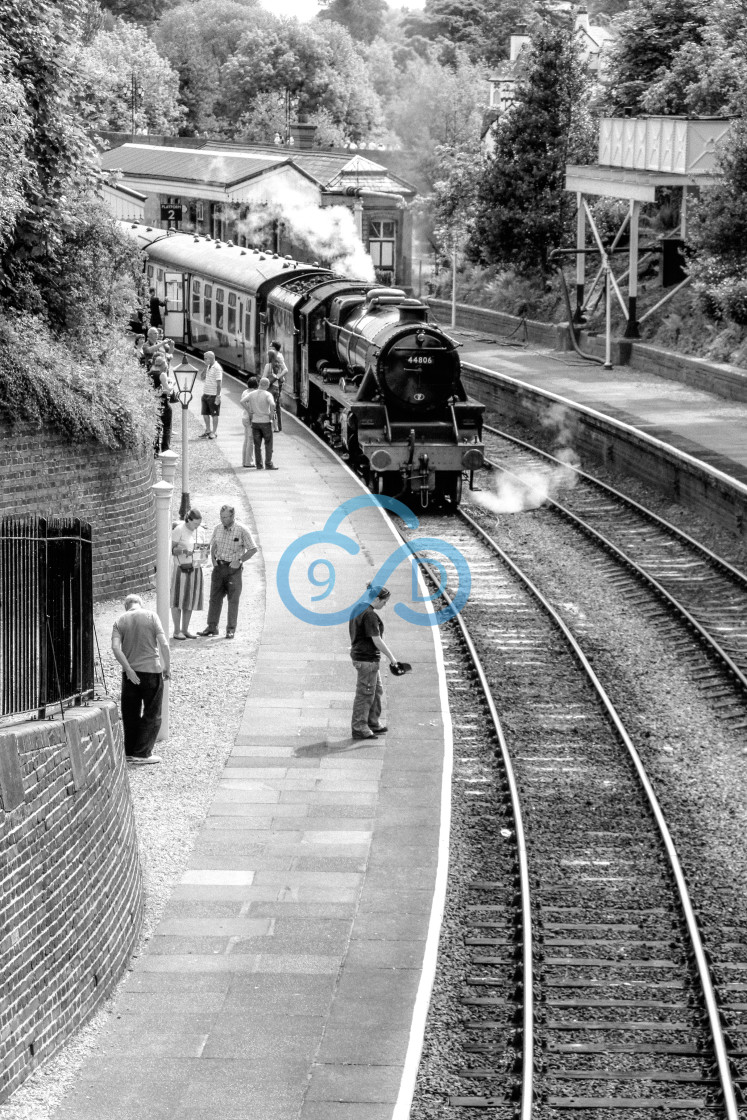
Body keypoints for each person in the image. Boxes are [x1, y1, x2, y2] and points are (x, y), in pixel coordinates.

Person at [111, 593, 171, 765]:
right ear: (140, 603)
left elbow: (116, 648)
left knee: (130, 713)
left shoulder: (120, 621)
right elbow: (164, 644)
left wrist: (128, 669)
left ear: (126, 606)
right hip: (151, 670)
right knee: (152, 712)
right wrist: (167, 666)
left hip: (130, 675)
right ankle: (143, 752)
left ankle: (130, 751)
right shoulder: (151, 616)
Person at [348, 584, 400, 740]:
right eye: (384, 602)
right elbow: (376, 640)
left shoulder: (359, 607)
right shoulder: (370, 615)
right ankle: (359, 727)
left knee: (376, 691)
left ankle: (372, 722)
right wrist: (392, 658)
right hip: (367, 659)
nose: (385, 604)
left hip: (362, 656)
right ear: (377, 599)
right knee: (365, 694)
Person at [199, 505, 257, 639]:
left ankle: (231, 629)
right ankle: (212, 627)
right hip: (219, 568)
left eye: (225, 517)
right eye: (221, 517)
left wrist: (240, 560)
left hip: (233, 570)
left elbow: (253, 549)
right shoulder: (217, 528)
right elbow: (213, 544)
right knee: (214, 599)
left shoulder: (242, 530)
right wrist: (213, 560)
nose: (223, 520)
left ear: (232, 516)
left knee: (233, 600)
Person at [170, 508, 206, 639]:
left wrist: (202, 554)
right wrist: (181, 550)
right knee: (177, 599)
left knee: (190, 599)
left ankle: (185, 629)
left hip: (195, 567)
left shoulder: (200, 531)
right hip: (181, 567)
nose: (196, 527)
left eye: (198, 524)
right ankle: (176, 630)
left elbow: (203, 549)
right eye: (195, 524)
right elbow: (171, 549)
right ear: (188, 520)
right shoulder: (179, 530)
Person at [244, 376, 277, 469]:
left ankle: (259, 465)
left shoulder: (252, 394)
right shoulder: (268, 394)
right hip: (266, 422)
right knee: (268, 443)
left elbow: (242, 401)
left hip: (255, 422)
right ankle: (268, 464)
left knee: (257, 445)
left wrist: (249, 411)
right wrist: (271, 414)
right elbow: (273, 404)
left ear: (259, 384)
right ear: (267, 385)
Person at [150, 354, 172, 453]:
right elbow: (168, 390)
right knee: (167, 427)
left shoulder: (149, 373)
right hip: (163, 403)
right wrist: (172, 385)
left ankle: (154, 450)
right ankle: (165, 449)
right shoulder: (162, 374)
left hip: (153, 404)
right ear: (163, 364)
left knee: (156, 427)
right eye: (166, 364)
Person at [263, 341, 287, 432]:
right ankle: (276, 426)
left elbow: (285, 370)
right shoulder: (276, 357)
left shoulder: (278, 357)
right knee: (275, 405)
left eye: (270, 346)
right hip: (276, 384)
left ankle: (276, 426)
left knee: (274, 405)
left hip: (275, 384)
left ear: (274, 348)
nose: (269, 348)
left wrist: (276, 377)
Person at [199, 351, 223, 439]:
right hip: (205, 393)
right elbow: (201, 378)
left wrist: (218, 396)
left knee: (214, 414)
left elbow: (219, 383)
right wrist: (205, 368)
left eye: (205, 358)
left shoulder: (217, 368)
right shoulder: (208, 366)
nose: (204, 360)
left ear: (210, 358)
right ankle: (208, 430)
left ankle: (214, 432)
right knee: (205, 413)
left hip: (213, 395)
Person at [239, 373, 259, 467]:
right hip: (250, 418)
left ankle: (244, 461)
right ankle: (248, 462)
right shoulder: (253, 394)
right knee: (250, 441)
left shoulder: (245, 392)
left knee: (246, 440)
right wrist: (250, 412)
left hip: (244, 418)